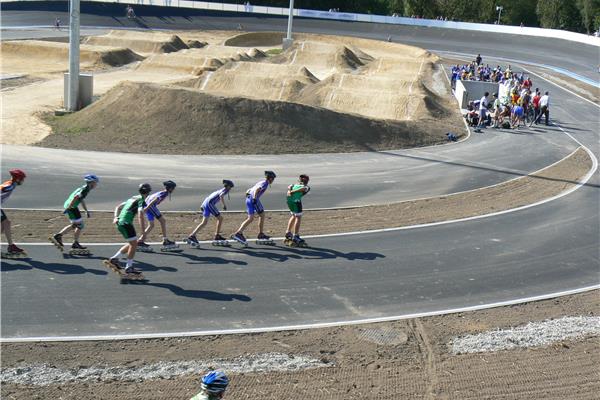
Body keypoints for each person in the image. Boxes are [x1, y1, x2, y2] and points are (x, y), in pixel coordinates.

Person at [108, 183, 151, 275]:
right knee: (134, 244)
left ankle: (114, 259)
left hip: (120, 222)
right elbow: (140, 215)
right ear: (148, 193)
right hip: (126, 223)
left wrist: (115, 217)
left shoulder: (133, 198)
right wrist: (143, 231)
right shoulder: (141, 200)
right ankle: (129, 267)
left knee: (131, 243)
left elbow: (118, 207)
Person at [50, 174, 99, 253]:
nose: (96, 184)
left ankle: (69, 240)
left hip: (72, 206)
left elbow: (81, 200)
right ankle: (59, 236)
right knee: (80, 225)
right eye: (95, 182)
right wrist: (68, 208)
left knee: (76, 225)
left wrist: (86, 210)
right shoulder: (85, 189)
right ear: (91, 182)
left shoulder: (85, 188)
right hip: (72, 207)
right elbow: (76, 197)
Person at [231, 171, 276, 245]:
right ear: (270, 178)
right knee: (262, 215)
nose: (273, 180)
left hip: (248, 199)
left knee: (250, 218)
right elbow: (257, 189)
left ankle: (239, 233)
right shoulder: (265, 183)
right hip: (253, 199)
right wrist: (255, 198)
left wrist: (250, 197)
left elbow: (248, 191)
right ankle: (261, 234)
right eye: (273, 179)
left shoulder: (261, 182)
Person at [185, 180, 234, 247]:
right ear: (228, 186)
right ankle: (217, 235)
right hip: (210, 204)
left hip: (205, 203)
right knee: (220, 218)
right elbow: (221, 196)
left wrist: (202, 205)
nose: (231, 188)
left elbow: (209, 197)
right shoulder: (224, 190)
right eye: (230, 187)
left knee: (204, 222)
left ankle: (192, 236)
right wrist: (224, 205)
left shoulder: (219, 190)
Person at [137, 180, 177, 251]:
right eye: (173, 188)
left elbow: (151, 197)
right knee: (163, 221)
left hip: (147, 205)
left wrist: (146, 207)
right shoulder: (164, 193)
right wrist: (147, 208)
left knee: (151, 225)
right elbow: (156, 199)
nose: (174, 190)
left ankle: (140, 241)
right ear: (170, 188)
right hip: (150, 206)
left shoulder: (162, 192)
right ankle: (165, 240)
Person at [1, 169, 27, 256]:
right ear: (18, 179)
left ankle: (11, 246)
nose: (23, 181)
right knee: (6, 223)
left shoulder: (10, 183)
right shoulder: (10, 185)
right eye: (22, 179)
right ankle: (11, 246)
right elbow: (4, 188)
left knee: (3, 227)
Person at [285, 174, 310, 246]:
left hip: (289, 201)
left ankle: (288, 232)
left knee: (293, 215)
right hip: (296, 201)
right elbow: (303, 189)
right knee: (298, 217)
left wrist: (290, 190)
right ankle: (295, 236)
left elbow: (289, 186)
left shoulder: (293, 185)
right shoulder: (306, 187)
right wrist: (292, 192)